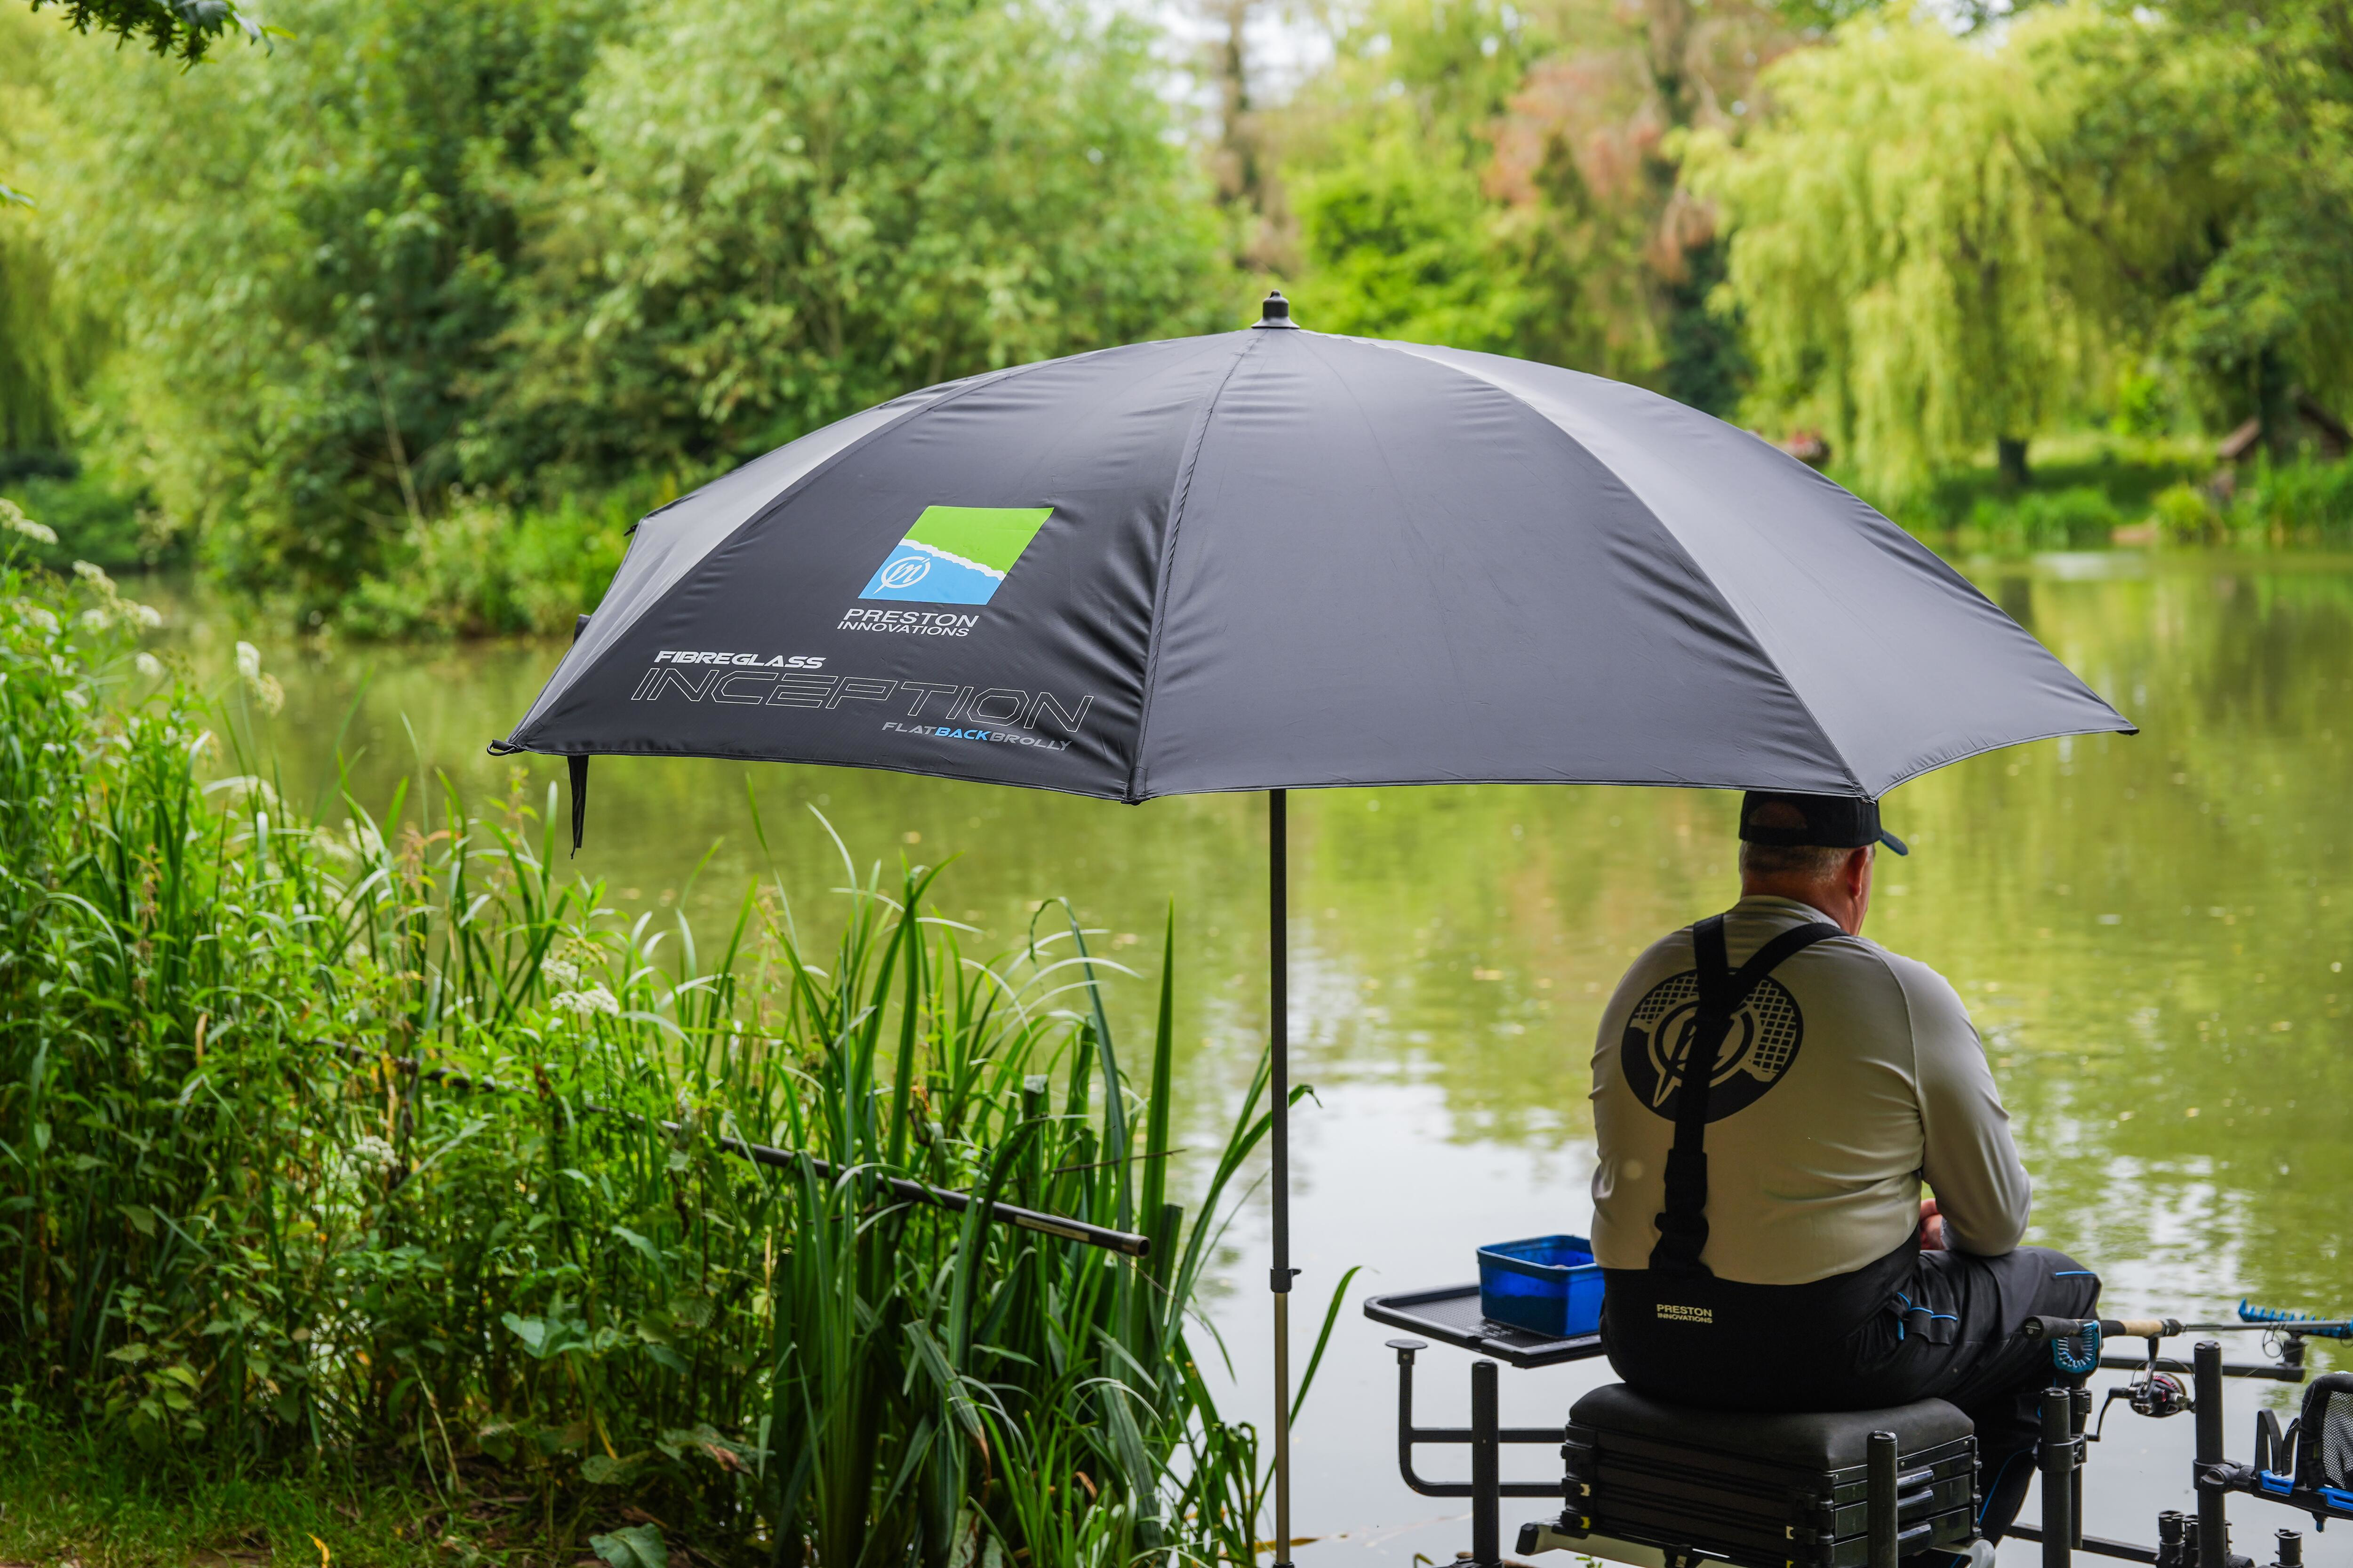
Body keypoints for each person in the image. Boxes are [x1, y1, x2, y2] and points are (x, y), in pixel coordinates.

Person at [1588, 790, 2098, 1542]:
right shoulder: (1898, 989)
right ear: (1859, 871)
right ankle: (1959, 1552)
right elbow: (1993, 1226)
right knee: (2058, 1293)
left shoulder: (1645, 974)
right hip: (1821, 1345)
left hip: (1643, 1335)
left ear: (1747, 860)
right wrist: (1927, 1227)